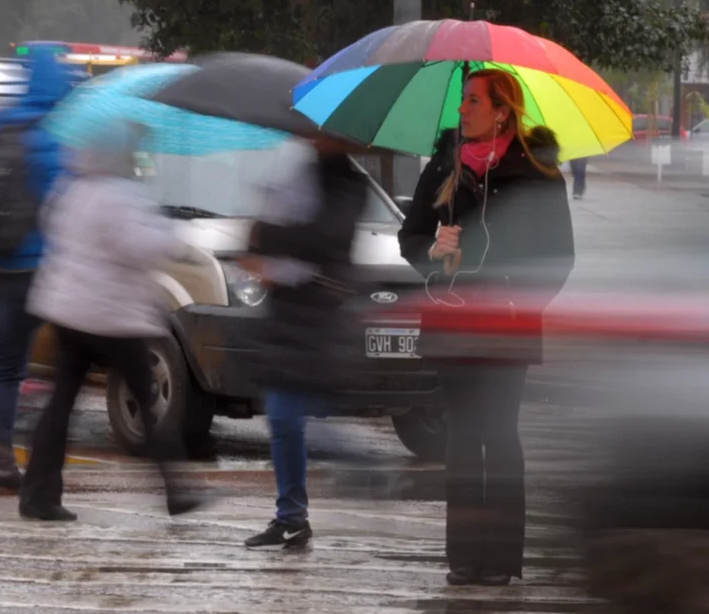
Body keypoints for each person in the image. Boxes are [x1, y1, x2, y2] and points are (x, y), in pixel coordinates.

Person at [397, 69, 575, 586]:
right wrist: (433, 252)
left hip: (506, 325)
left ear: (502, 111)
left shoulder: (536, 173)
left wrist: (522, 299)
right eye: (462, 99)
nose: (462, 109)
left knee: (497, 436)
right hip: (451, 319)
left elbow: (560, 257)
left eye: (473, 101)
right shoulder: (445, 165)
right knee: (461, 437)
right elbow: (410, 236)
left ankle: (499, 559)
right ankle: (463, 558)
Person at [19, 119, 203, 521]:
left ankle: (38, 495)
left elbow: (52, 227)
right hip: (113, 317)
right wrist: (171, 237)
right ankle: (177, 490)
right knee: (148, 401)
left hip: (68, 312)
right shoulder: (122, 194)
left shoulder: (72, 187)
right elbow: (138, 247)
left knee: (61, 404)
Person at [0, 48, 82, 496]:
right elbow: (66, 207)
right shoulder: (56, 136)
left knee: (8, 367)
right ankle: (45, 463)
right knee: (67, 367)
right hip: (45, 267)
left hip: (1, 262)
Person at [241, 136, 368, 549]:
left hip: (318, 314)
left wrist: (266, 233)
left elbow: (326, 237)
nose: (314, 135)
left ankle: (369, 471)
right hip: (287, 311)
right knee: (284, 418)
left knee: (299, 415)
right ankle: (292, 517)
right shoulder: (301, 170)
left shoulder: (349, 181)